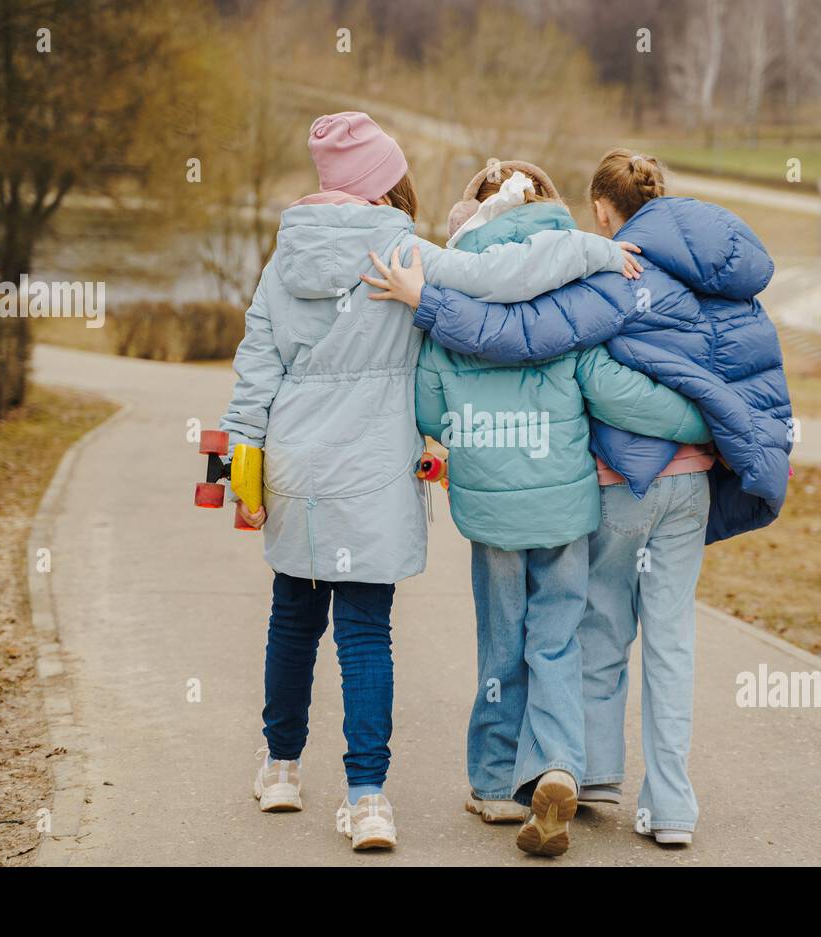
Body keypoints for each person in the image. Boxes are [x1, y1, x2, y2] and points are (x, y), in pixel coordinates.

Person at [218, 116, 643, 852]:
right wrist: (596, 249)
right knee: (363, 630)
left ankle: (281, 768)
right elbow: (503, 275)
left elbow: (256, 370)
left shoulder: (284, 259)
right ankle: (368, 798)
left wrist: (241, 466)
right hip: (372, 468)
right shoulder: (402, 250)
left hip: (295, 464)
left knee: (292, 617)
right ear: (383, 181)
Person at [366, 148, 792, 847]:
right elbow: (718, 376)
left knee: (546, 634)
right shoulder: (711, 275)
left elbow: (474, 380)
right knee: (621, 639)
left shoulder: (584, 276)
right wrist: (720, 433)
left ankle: (541, 779)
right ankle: (640, 796)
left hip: (581, 490)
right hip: (649, 491)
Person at [407, 161, 711, 857]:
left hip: (491, 514)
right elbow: (612, 391)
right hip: (568, 508)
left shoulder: (451, 293)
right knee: (556, 640)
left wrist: (465, 437)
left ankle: (492, 786)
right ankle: (557, 765)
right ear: (550, 213)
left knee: (500, 642)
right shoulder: (572, 294)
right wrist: (709, 425)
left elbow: (426, 405)